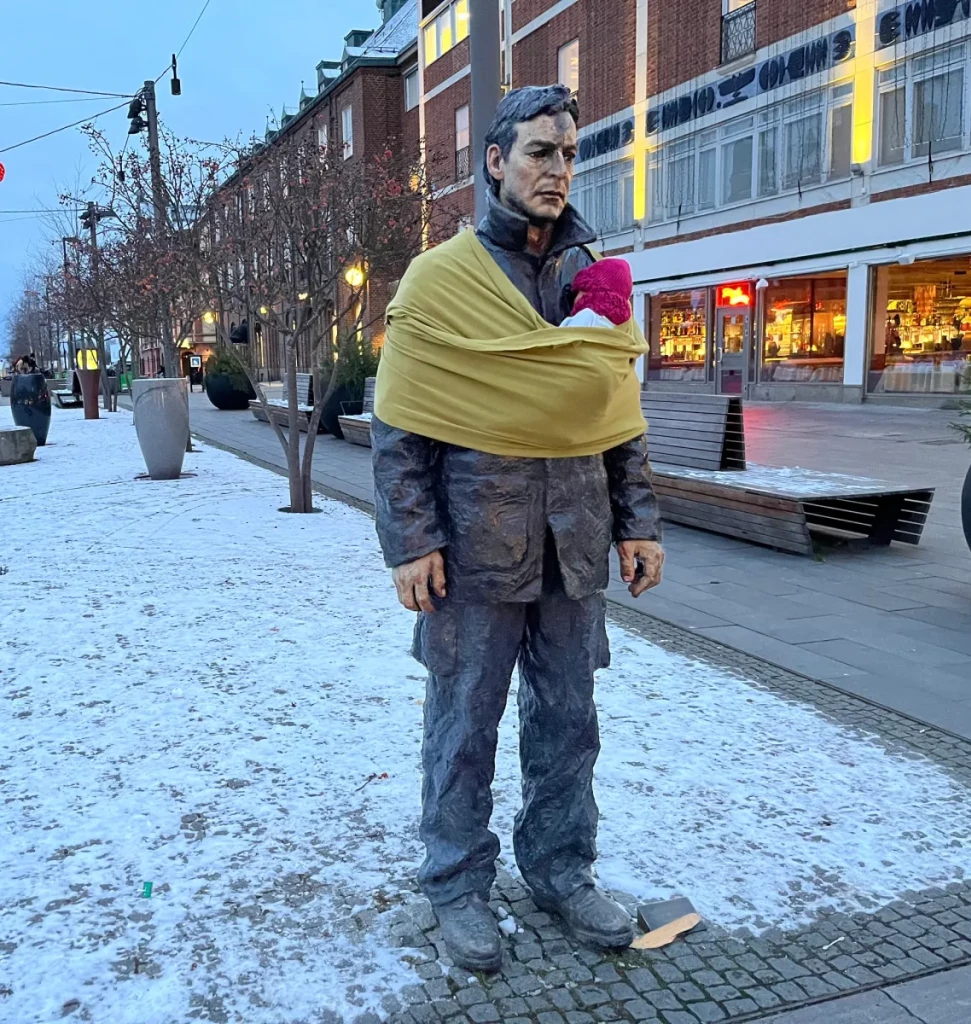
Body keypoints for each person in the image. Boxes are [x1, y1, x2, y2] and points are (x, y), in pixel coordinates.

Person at [371, 84, 664, 973]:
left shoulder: (591, 276)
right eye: (541, 151)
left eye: (570, 153)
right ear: (495, 161)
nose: (559, 169)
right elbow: (402, 425)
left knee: (570, 722)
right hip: (473, 545)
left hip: (572, 542)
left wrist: (637, 522)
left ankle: (561, 871)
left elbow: (618, 414)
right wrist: (412, 540)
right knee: (464, 724)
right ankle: (457, 884)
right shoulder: (442, 280)